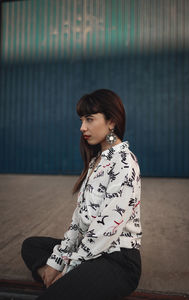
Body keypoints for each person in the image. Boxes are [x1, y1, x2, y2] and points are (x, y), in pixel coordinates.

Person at [21, 89, 142, 300]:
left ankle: (62, 285)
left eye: (89, 119)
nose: (82, 127)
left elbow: (104, 232)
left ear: (111, 121)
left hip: (116, 259)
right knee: (31, 246)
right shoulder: (96, 161)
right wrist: (56, 262)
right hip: (89, 249)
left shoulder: (124, 163)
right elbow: (78, 221)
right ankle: (58, 283)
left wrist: (68, 269)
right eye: (81, 120)